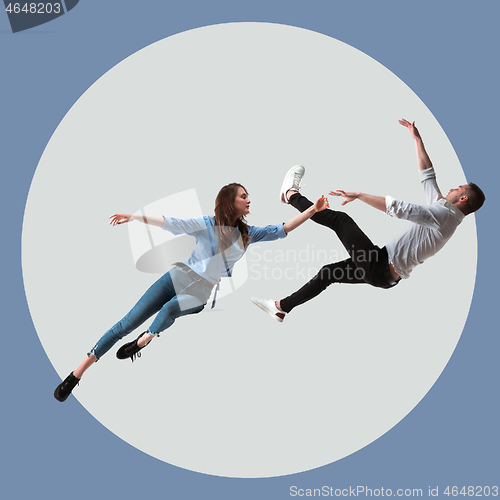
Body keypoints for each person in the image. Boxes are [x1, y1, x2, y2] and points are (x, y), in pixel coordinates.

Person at [54, 183, 329, 402]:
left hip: (200, 292)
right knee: (125, 324)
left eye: (248, 197)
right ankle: (76, 375)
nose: (249, 200)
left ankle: (145, 340)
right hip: (174, 277)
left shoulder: (249, 234)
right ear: (229, 200)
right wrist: (134, 217)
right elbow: (171, 222)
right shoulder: (206, 224)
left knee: (169, 309)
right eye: (244, 196)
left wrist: (312, 210)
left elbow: (282, 228)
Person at [251, 119, 486, 322]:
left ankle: (290, 195)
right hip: (382, 268)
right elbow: (428, 177)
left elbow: (401, 208)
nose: (452, 188)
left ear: (463, 198)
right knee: (328, 273)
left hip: (380, 266)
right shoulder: (445, 212)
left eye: (458, 187)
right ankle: (281, 308)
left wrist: (360, 195)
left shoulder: (444, 216)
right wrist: (417, 140)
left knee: (341, 221)